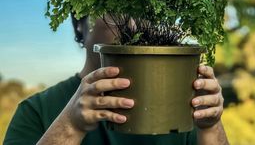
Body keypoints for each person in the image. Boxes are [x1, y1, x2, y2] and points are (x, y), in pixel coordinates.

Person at [4, 15, 229, 145]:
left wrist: (210, 126)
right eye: (116, 12)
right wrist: (70, 126)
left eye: (141, 11)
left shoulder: (181, 105)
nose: (132, 25)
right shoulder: (36, 111)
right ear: (79, 24)